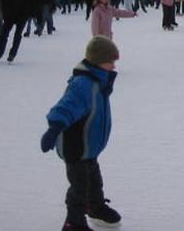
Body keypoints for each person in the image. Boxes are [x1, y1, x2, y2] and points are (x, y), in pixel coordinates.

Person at [40, 36, 122, 230]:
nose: (114, 66)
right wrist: (53, 130)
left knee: (94, 181)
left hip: (89, 148)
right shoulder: (83, 85)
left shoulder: (99, 82)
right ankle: (73, 222)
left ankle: (95, 207)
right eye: (111, 61)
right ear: (98, 61)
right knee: (79, 187)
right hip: (76, 146)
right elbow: (64, 108)